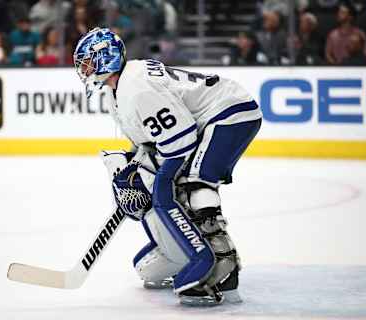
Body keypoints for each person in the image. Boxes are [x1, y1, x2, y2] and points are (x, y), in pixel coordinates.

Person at [73, 28, 262, 306]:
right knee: (164, 181)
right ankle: (180, 252)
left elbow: (182, 139)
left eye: (88, 61)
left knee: (192, 184)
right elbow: (150, 144)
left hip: (229, 112)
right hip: (213, 116)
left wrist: (157, 179)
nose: (83, 69)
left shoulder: (136, 88)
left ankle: (222, 266)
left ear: (105, 59)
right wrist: (133, 170)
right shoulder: (119, 91)